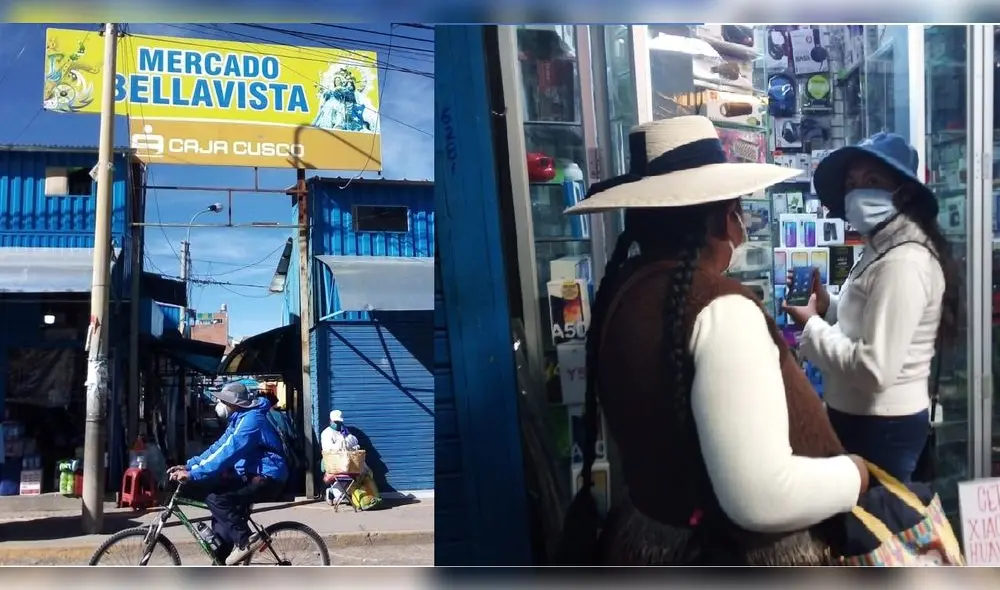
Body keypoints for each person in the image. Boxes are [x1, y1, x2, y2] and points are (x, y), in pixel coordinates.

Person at [556, 116, 869, 566]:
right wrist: (854, 475)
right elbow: (760, 498)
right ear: (725, 220)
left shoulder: (625, 291)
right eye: (738, 210)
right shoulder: (721, 310)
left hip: (647, 544)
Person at [784, 133, 958, 483]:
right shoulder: (882, 248)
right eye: (851, 183)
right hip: (865, 420)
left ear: (904, 194)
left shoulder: (903, 262)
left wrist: (812, 325)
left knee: (876, 516)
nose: (857, 192)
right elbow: (865, 322)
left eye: (872, 181)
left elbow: (875, 370)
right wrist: (827, 305)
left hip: (881, 428)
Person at [168, 381, 289, 565]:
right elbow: (218, 447)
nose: (221, 405)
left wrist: (194, 474)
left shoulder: (252, 420)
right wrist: (189, 466)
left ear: (235, 403)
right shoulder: (239, 418)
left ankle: (245, 541)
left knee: (217, 499)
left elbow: (228, 452)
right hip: (250, 475)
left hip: (267, 478)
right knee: (219, 514)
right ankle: (224, 560)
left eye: (225, 401)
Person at [320, 410, 382, 510]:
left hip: (349, 460)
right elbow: (329, 450)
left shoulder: (345, 431)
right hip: (334, 462)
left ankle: (366, 496)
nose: (338, 424)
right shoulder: (326, 433)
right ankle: (333, 492)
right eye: (336, 422)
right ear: (330, 421)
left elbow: (354, 442)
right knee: (345, 479)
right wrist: (343, 443)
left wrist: (350, 443)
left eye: (339, 422)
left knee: (365, 473)